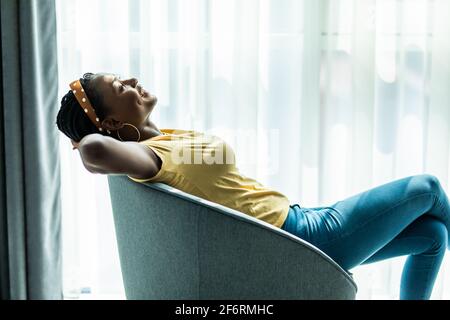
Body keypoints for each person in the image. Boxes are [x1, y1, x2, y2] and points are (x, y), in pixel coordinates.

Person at [56, 72, 450, 300]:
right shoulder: (150, 157)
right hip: (303, 239)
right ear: (109, 125)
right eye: (118, 86)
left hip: (298, 219)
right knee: (427, 188)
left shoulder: (162, 140)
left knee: (433, 235)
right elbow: (94, 151)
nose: (131, 79)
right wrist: (85, 138)